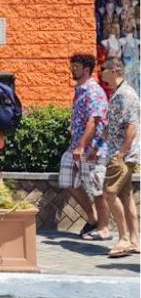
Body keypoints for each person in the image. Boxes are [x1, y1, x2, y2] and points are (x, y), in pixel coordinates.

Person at [58, 52, 111, 241]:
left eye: (76, 67)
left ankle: (103, 229)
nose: (72, 69)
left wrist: (81, 146)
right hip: (75, 146)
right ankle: (92, 218)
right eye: (72, 66)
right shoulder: (80, 89)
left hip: (91, 149)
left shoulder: (93, 90)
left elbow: (94, 120)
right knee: (67, 180)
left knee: (96, 188)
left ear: (87, 70)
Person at [100, 57, 139, 257]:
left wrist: (120, 153)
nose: (101, 72)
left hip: (122, 155)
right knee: (125, 196)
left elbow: (132, 127)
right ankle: (134, 240)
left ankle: (123, 238)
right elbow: (114, 127)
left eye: (103, 69)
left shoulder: (126, 94)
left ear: (114, 70)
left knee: (108, 193)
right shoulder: (117, 93)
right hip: (120, 152)